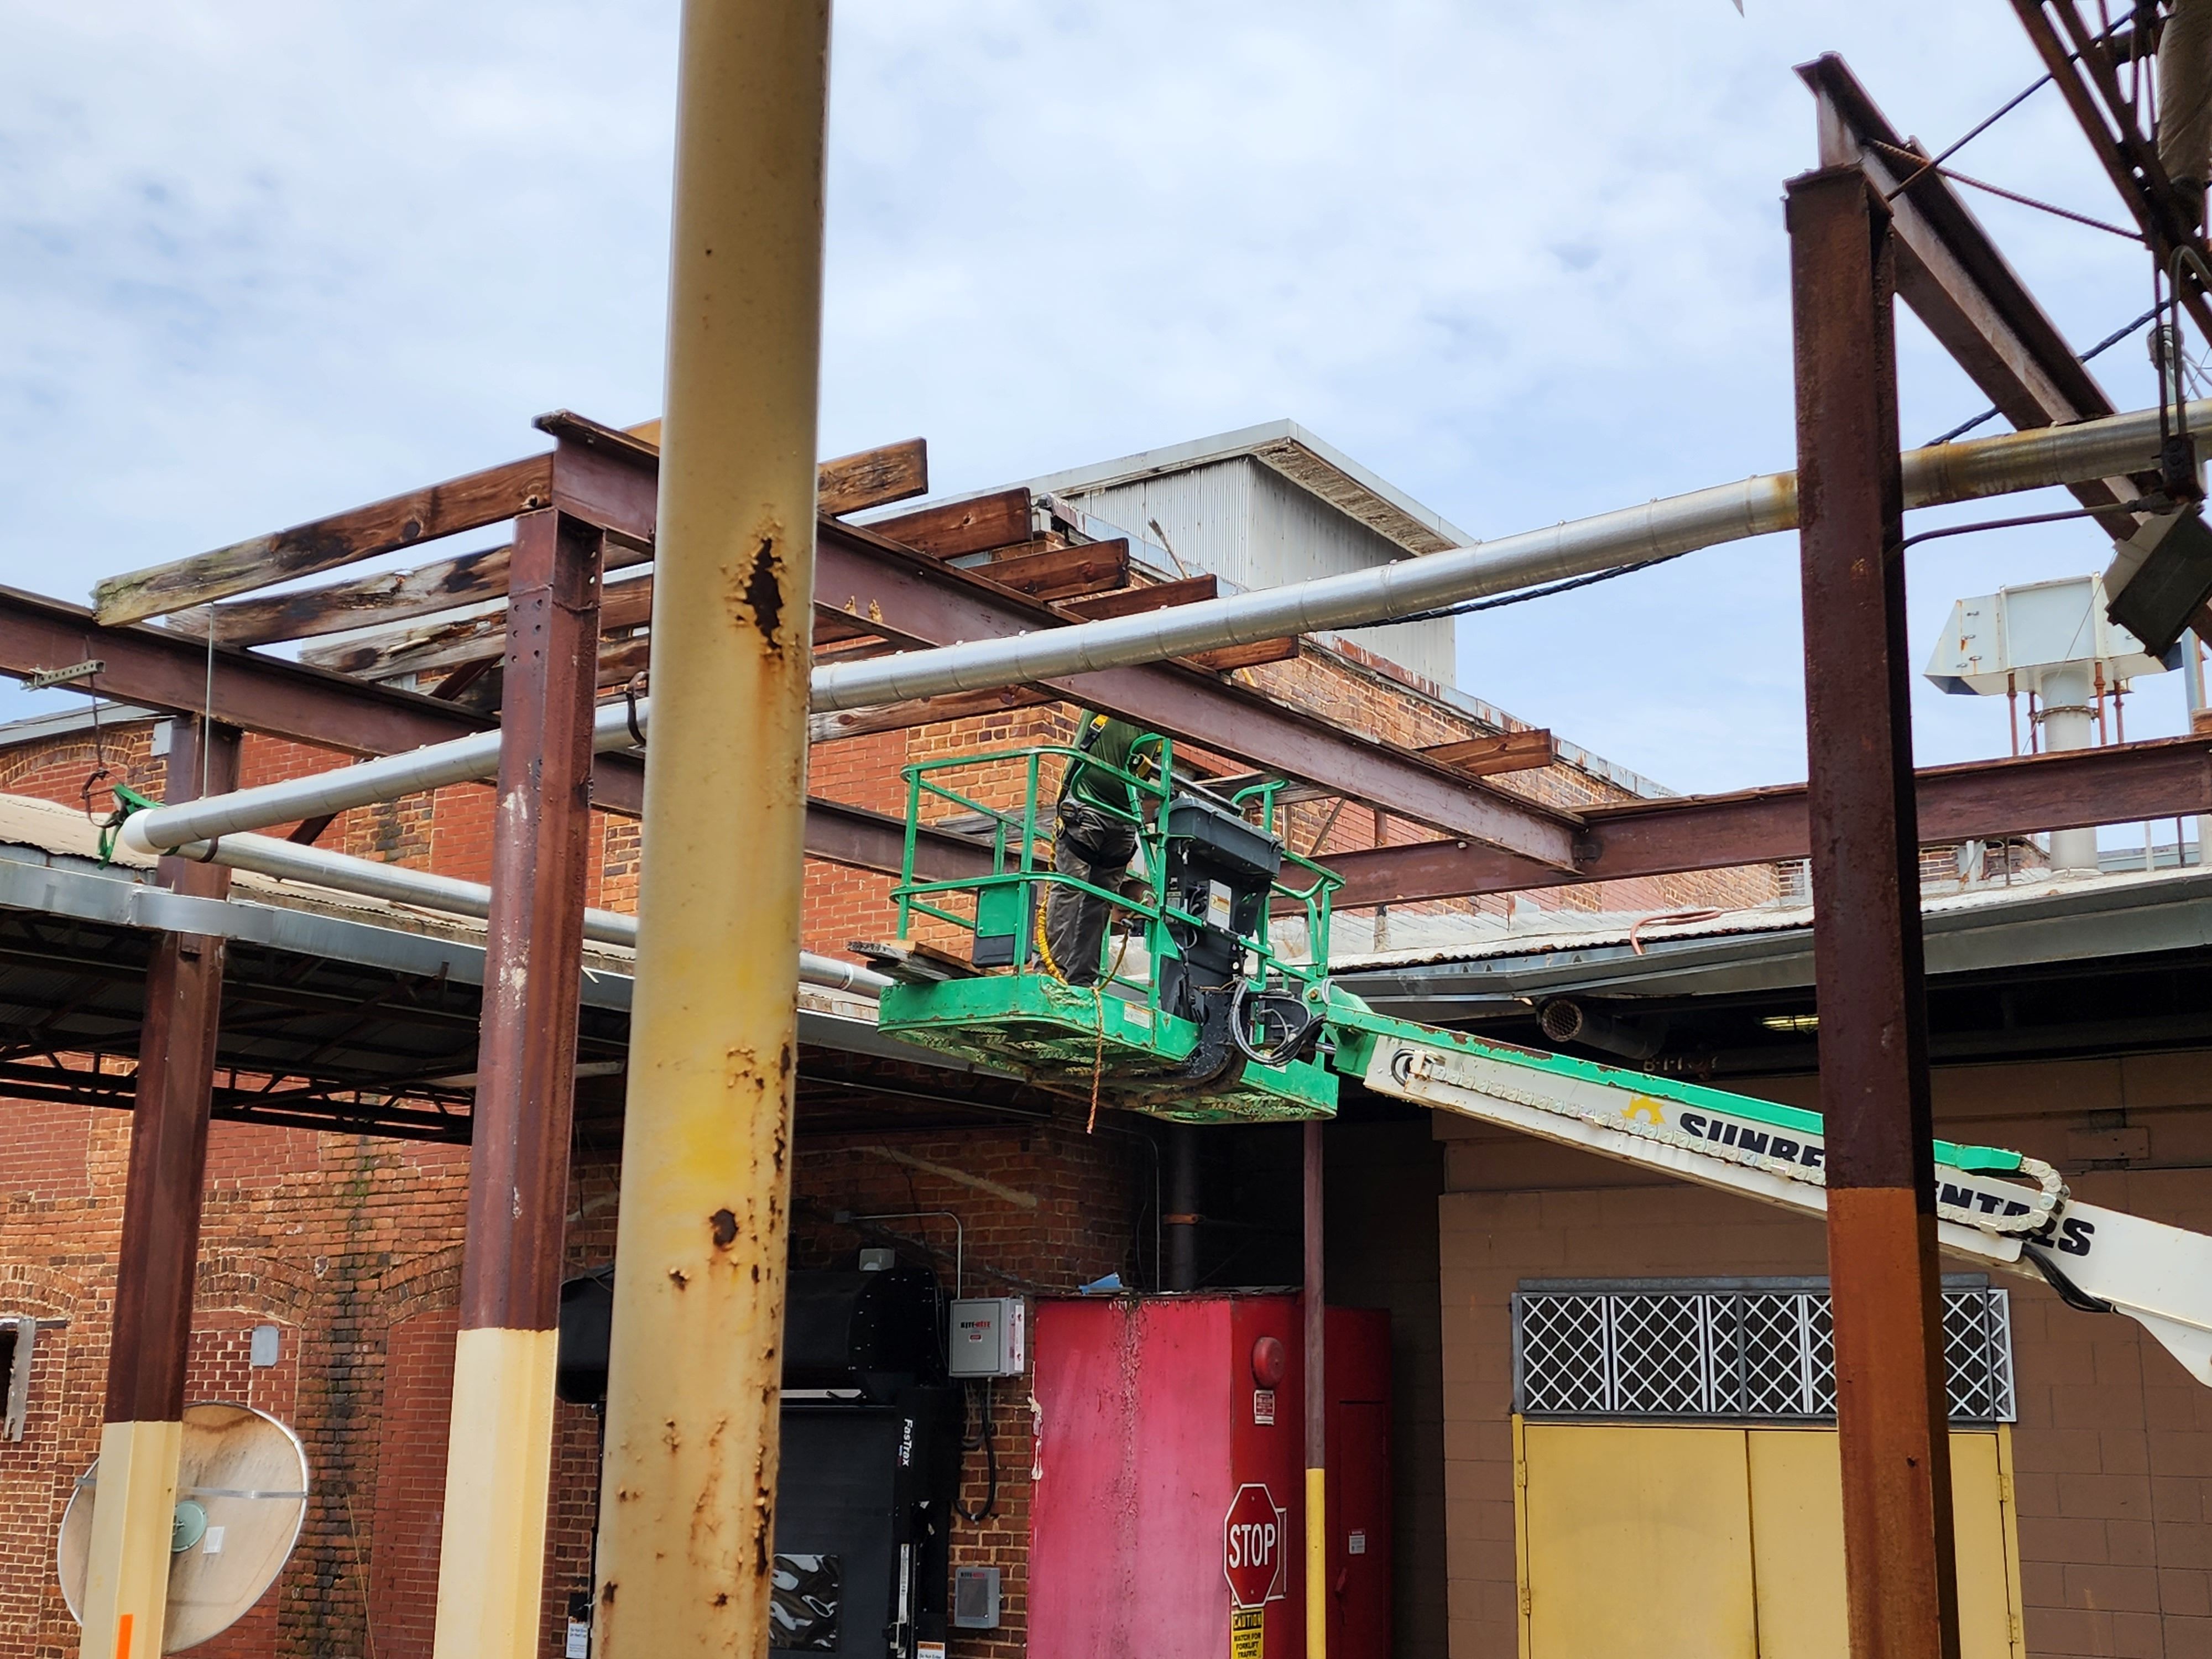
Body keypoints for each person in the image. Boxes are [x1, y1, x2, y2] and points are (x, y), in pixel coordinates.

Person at [1041, 710, 1154, 985]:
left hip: (1125, 817)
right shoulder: (1109, 693)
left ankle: (1081, 978)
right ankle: (1053, 970)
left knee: (1101, 899)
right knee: (1071, 887)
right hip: (1087, 803)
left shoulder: (1161, 719)